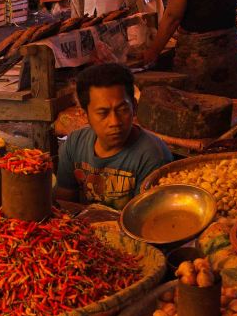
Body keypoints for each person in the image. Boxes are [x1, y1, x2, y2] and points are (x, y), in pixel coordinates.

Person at [55, 64, 171, 210]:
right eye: (103, 113)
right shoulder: (74, 143)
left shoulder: (153, 156)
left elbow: (143, 221)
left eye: (122, 110)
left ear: (134, 107)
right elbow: (64, 204)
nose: (115, 122)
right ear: (85, 115)